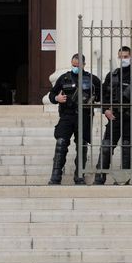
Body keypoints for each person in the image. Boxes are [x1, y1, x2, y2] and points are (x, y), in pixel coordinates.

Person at [94, 46, 132, 185]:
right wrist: (105, 110)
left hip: (130, 119)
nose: (123, 59)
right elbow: (103, 96)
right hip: (114, 118)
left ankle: (124, 180)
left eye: (125, 57)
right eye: (121, 57)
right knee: (106, 147)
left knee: (127, 148)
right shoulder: (112, 76)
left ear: (131, 57)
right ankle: (99, 179)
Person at [48, 54, 101, 185]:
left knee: (82, 146)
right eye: (73, 65)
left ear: (84, 64)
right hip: (67, 116)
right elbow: (52, 94)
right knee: (61, 143)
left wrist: (94, 99)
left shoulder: (92, 80)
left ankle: (79, 176)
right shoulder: (64, 78)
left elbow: (102, 95)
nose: (75, 68)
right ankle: (55, 177)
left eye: (77, 66)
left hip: (84, 117)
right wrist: (56, 99)